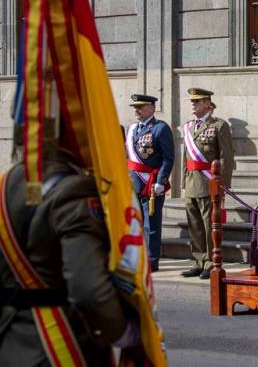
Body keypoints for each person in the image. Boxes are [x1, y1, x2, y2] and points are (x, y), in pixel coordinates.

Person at [0, 137, 139, 364]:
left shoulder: (6, 184)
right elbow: (89, 289)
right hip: (58, 347)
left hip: (10, 344)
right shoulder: (74, 190)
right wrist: (122, 332)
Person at [181, 88, 234, 279]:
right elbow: (185, 158)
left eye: (197, 101)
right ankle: (198, 260)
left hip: (209, 183)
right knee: (194, 225)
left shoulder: (219, 126)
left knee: (208, 224)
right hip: (192, 182)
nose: (193, 104)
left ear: (207, 104)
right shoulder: (188, 127)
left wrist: (223, 184)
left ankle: (211, 261)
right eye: (192, 102)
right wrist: (183, 183)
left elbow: (226, 157)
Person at [126, 94, 175, 273]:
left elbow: (168, 159)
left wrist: (161, 181)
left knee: (151, 226)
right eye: (135, 107)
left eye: (141, 106)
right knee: (135, 225)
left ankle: (151, 261)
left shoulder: (160, 128)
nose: (137, 110)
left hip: (151, 185)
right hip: (133, 184)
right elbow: (128, 158)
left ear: (152, 108)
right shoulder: (131, 129)